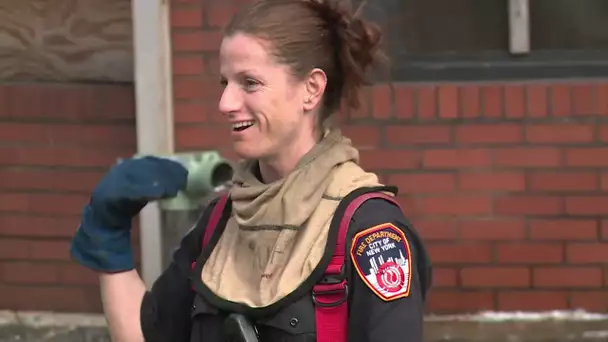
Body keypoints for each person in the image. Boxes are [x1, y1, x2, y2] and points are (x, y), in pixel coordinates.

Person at [69, 0, 433, 340]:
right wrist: (109, 238)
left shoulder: (369, 232)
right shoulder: (220, 221)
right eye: (224, 83)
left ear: (311, 89)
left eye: (250, 83)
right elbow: (149, 335)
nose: (226, 102)